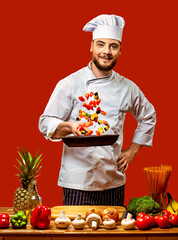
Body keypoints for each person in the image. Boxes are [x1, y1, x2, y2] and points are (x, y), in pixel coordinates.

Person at [39, 14, 156, 206]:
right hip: (76, 182)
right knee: (76, 234)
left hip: (113, 180)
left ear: (120, 51)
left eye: (113, 46)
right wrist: (68, 126)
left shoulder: (127, 87)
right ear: (91, 46)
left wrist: (133, 150)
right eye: (101, 44)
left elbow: (149, 115)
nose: (106, 52)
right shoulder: (69, 83)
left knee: (112, 234)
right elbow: (44, 123)